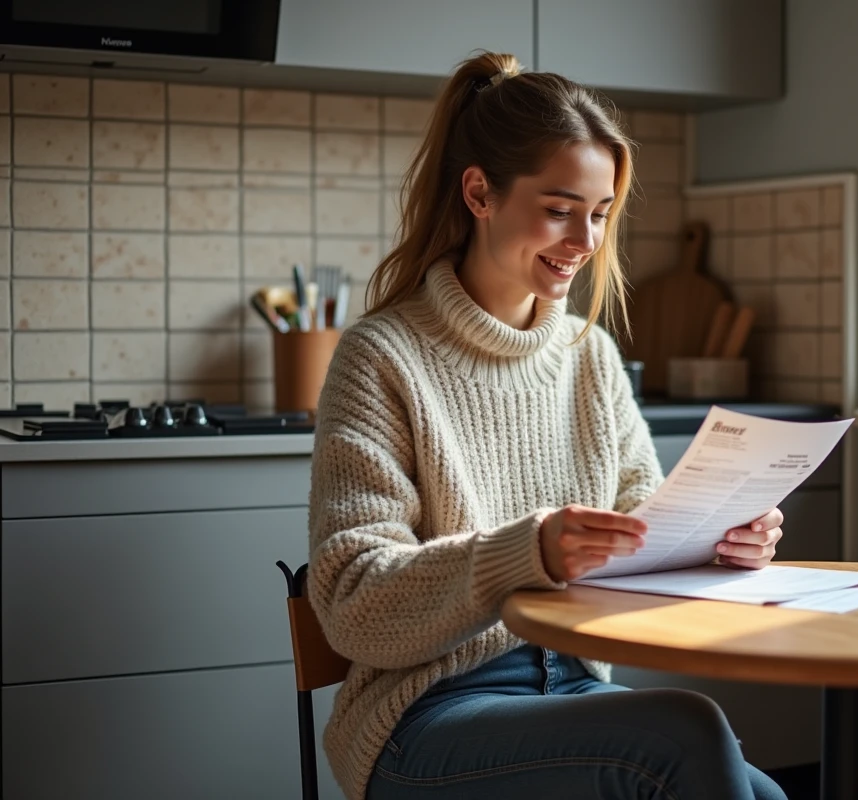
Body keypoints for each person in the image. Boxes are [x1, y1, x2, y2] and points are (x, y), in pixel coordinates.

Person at [307, 51, 789, 800]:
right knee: (686, 737)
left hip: (571, 691)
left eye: (599, 215)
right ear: (479, 193)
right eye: (560, 209)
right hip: (425, 717)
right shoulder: (381, 358)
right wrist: (523, 551)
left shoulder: (588, 357)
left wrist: (719, 541)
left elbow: (644, 538)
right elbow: (351, 606)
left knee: (758, 788)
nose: (586, 242)